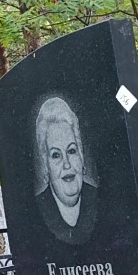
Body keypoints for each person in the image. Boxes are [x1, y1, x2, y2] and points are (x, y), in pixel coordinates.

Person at [35, 95, 98, 245]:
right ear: (46, 164)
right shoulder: (35, 210)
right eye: (56, 155)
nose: (67, 164)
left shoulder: (102, 200)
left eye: (71, 151)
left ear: (81, 155)